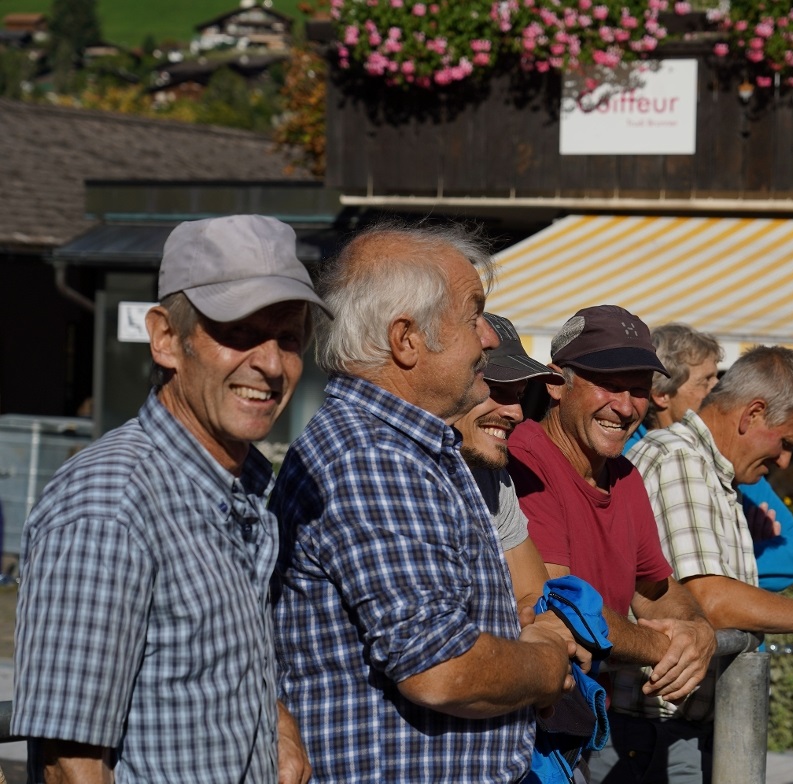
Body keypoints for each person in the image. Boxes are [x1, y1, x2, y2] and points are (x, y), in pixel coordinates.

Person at [13, 214, 324, 783]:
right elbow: (70, 766)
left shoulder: (238, 487)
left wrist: (274, 725)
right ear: (165, 339)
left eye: (288, 337)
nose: (272, 364)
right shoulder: (111, 505)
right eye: (238, 332)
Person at [270, 223, 575, 783]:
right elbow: (441, 668)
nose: (488, 337)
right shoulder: (376, 457)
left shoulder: (404, 446)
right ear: (406, 339)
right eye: (472, 314)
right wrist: (546, 662)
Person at [617, 345, 793, 783]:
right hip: (656, 734)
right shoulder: (679, 460)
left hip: (675, 729)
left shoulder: (709, 469)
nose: (784, 460)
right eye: (786, 443)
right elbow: (708, 599)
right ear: (752, 414)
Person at [506, 305, 718, 755]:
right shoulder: (526, 458)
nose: (624, 407)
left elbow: (656, 590)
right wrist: (665, 646)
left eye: (638, 390)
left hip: (579, 724)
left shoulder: (625, 475)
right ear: (554, 384)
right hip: (527, 732)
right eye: (608, 385)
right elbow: (559, 611)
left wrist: (699, 631)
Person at [625, 324, 793, 590]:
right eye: (705, 381)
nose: (717, 389)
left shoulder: (733, 460)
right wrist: (723, 564)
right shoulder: (626, 457)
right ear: (661, 394)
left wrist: (724, 567)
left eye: (717, 377)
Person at [454, 311, 565, 614]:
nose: (516, 412)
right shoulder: (391, 469)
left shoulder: (493, 475)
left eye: (519, 394)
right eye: (496, 388)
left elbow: (536, 598)